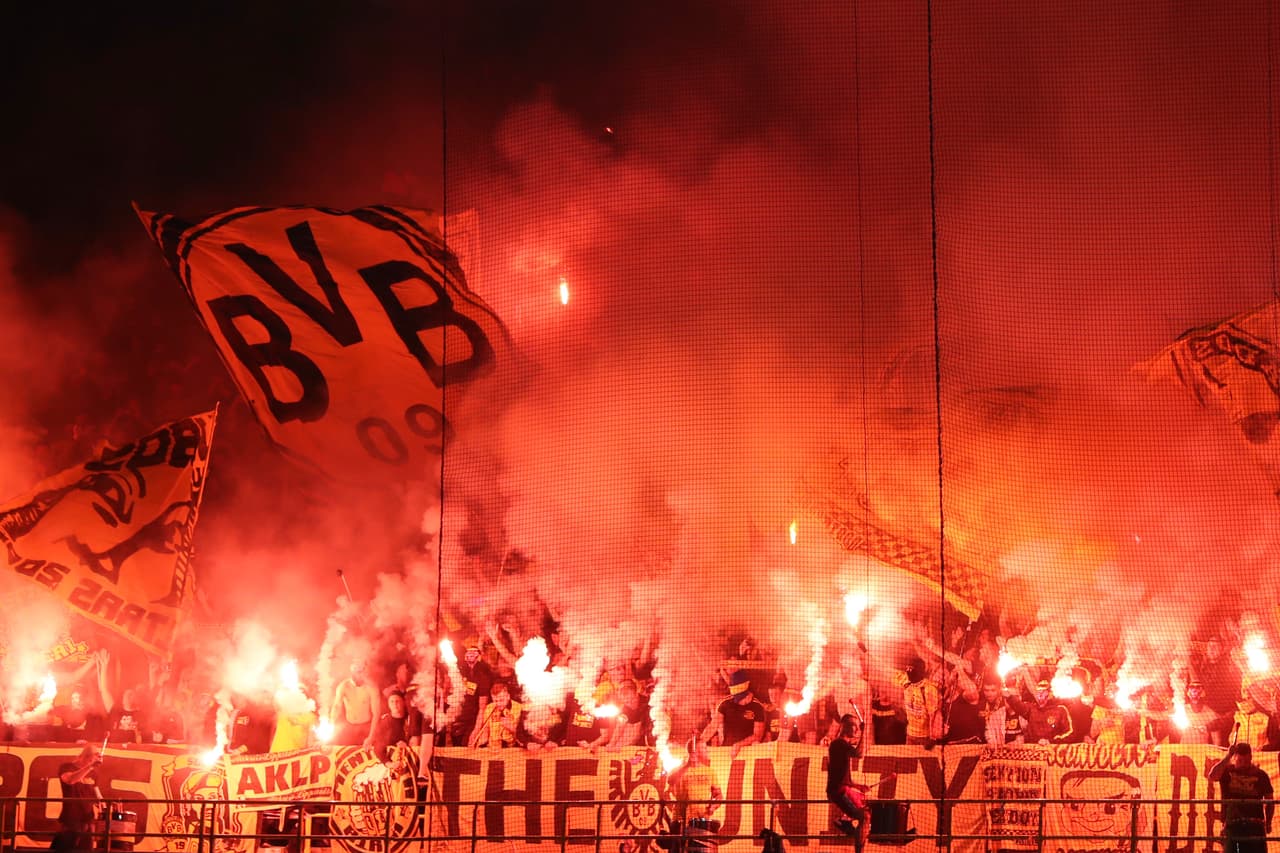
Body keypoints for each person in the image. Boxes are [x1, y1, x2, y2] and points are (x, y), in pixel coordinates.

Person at [1208, 741, 1274, 853]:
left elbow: (1270, 801)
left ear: (1251, 758)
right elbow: (1212, 776)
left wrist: (1268, 822)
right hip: (1233, 825)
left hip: (1255, 826)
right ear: (1234, 758)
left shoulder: (1261, 775)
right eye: (1240, 761)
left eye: (1246, 761)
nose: (1243, 764)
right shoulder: (1227, 771)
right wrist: (1228, 756)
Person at [826, 713, 871, 853]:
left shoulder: (840, 746)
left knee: (864, 808)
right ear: (847, 727)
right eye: (855, 726)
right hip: (838, 791)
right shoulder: (839, 744)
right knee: (864, 817)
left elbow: (843, 777)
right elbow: (859, 754)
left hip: (841, 789)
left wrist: (858, 786)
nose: (856, 729)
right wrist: (864, 733)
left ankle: (844, 821)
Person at [52, 742, 103, 853]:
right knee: (64, 848)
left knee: (86, 850)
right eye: (94, 756)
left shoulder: (93, 773)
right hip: (71, 818)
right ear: (85, 756)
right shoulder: (66, 767)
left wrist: (104, 803)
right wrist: (89, 767)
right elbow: (70, 780)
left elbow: (97, 793)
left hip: (88, 819)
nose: (96, 759)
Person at [702, 671, 766, 758]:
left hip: (748, 752)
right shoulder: (725, 704)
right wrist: (701, 740)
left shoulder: (757, 707)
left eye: (741, 697)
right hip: (727, 750)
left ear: (747, 692)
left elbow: (757, 735)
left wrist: (739, 745)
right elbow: (713, 726)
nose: (739, 701)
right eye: (737, 697)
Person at [330, 661, 380, 747]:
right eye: (357, 672)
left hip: (366, 727)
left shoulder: (371, 687)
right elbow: (337, 707)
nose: (360, 675)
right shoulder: (343, 686)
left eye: (361, 672)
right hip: (349, 726)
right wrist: (330, 727)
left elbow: (376, 714)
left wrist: (371, 737)